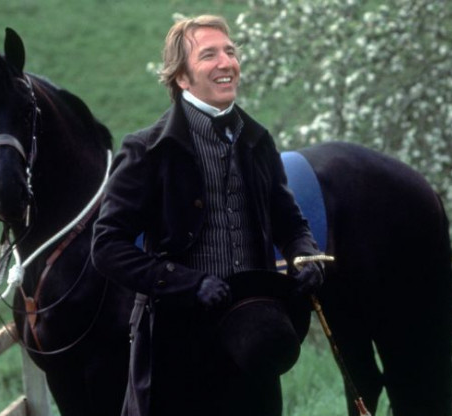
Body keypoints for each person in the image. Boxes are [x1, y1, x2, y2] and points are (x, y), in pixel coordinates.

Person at [91, 14, 324, 416]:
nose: (226, 62)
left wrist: (305, 254)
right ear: (182, 77)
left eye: (230, 52)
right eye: (209, 55)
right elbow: (107, 246)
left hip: (253, 338)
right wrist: (188, 282)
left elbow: (290, 222)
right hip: (175, 346)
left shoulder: (258, 141)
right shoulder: (147, 150)